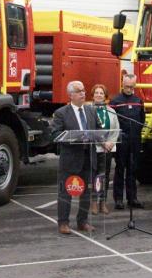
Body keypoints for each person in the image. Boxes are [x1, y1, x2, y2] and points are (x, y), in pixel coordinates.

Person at [52, 81, 100, 234]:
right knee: (65, 192)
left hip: (88, 156)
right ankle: (63, 223)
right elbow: (55, 134)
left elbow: (98, 130)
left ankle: (82, 221)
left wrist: (104, 140)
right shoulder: (61, 113)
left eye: (84, 91)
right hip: (71, 158)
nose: (83, 94)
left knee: (86, 191)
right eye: (79, 91)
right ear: (71, 95)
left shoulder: (91, 111)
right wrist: (73, 137)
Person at [110, 74, 145, 210]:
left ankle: (132, 198)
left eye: (132, 86)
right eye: (127, 86)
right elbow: (112, 122)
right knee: (120, 169)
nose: (129, 89)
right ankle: (118, 199)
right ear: (122, 84)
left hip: (135, 141)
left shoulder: (138, 100)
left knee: (133, 170)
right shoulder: (115, 101)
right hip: (121, 141)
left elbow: (142, 119)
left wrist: (136, 133)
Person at [90, 84, 117, 215]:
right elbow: (90, 130)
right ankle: (94, 202)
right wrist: (102, 142)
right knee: (96, 176)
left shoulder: (111, 111)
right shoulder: (88, 110)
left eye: (101, 93)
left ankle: (103, 203)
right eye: (97, 93)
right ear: (93, 95)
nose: (99, 95)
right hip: (95, 147)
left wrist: (110, 142)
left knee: (105, 176)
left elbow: (116, 129)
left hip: (108, 148)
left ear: (105, 96)